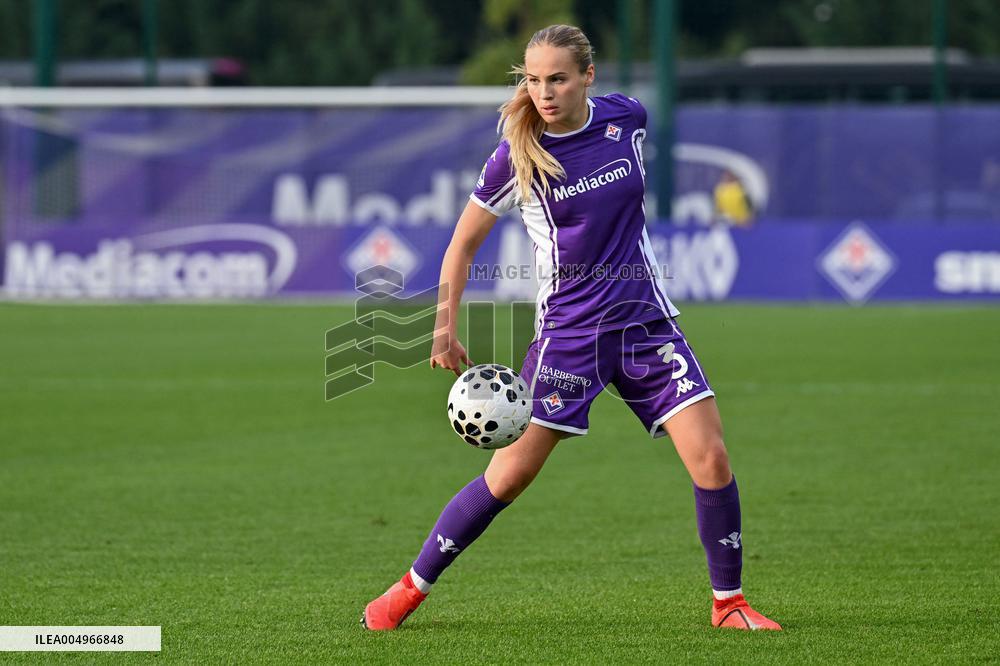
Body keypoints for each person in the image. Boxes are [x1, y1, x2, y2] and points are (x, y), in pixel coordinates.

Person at [361, 24, 781, 632]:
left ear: (588, 76)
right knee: (508, 475)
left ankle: (730, 604)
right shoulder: (516, 154)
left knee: (711, 458)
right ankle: (406, 590)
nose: (544, 92)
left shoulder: (627, 120)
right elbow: (461, 245)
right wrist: (442, 327)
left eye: (557, 78)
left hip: (646, 325)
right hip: (571, 337)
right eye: (533, 80)